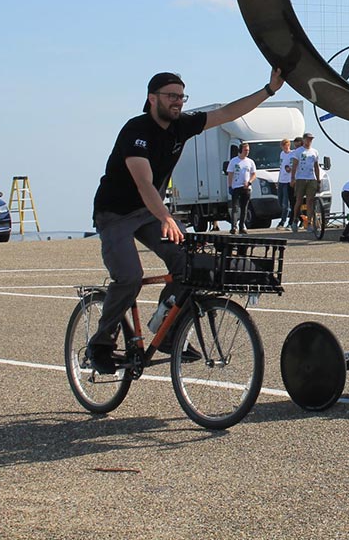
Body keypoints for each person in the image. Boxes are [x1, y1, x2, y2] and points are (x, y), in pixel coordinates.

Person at [86, 68, 285, 374]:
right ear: (152, 98)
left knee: (188, 267)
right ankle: (101, 343)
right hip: (115, 214)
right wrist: (166, 216)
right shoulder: (136, 131)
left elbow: (229, 112)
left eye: (181, 96)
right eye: (171, 96)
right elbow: (144, 183)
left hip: (148, 212)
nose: (177, 102)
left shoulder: (182, 126)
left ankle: (166, 329)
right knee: (129, 277)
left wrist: (269, 90)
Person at [289, 132, 322, 231]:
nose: (309, 141)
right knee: (299, 200)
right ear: (303, 140)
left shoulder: (314, 152)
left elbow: (316, 166)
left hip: (311, 178)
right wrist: (293, 178)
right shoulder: (298, 151)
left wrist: (318, 179)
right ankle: (295, 220)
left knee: (310, 201)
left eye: (311, 139)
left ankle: (309, 222)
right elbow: (294, 165)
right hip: (301, 178)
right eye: (308, 139)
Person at [226, 142, 256, 235]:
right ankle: (233, 227)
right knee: (235, 208)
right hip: (236, 187)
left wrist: (249, 182)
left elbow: (254, 174)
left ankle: (242, 226)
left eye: (248, 150)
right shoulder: (234, 161)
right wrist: (230, 186)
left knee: (245, 208)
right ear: (240, 150)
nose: (247, 152)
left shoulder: (250, 162)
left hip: (246, 188)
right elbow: (230, 174)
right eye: (245, 150)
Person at [275, 138, 294, 229]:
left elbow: (294, 167)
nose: (285, 148)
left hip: (288, 181)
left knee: (285, 203)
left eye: (286, 145)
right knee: (280, 200)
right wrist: (278, 180)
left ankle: (283, 221)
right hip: (282, 180)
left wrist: (290, 170)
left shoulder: (292, 154)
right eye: (283, 146)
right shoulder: (282, 154)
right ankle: (300, 218)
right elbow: (281, 167)